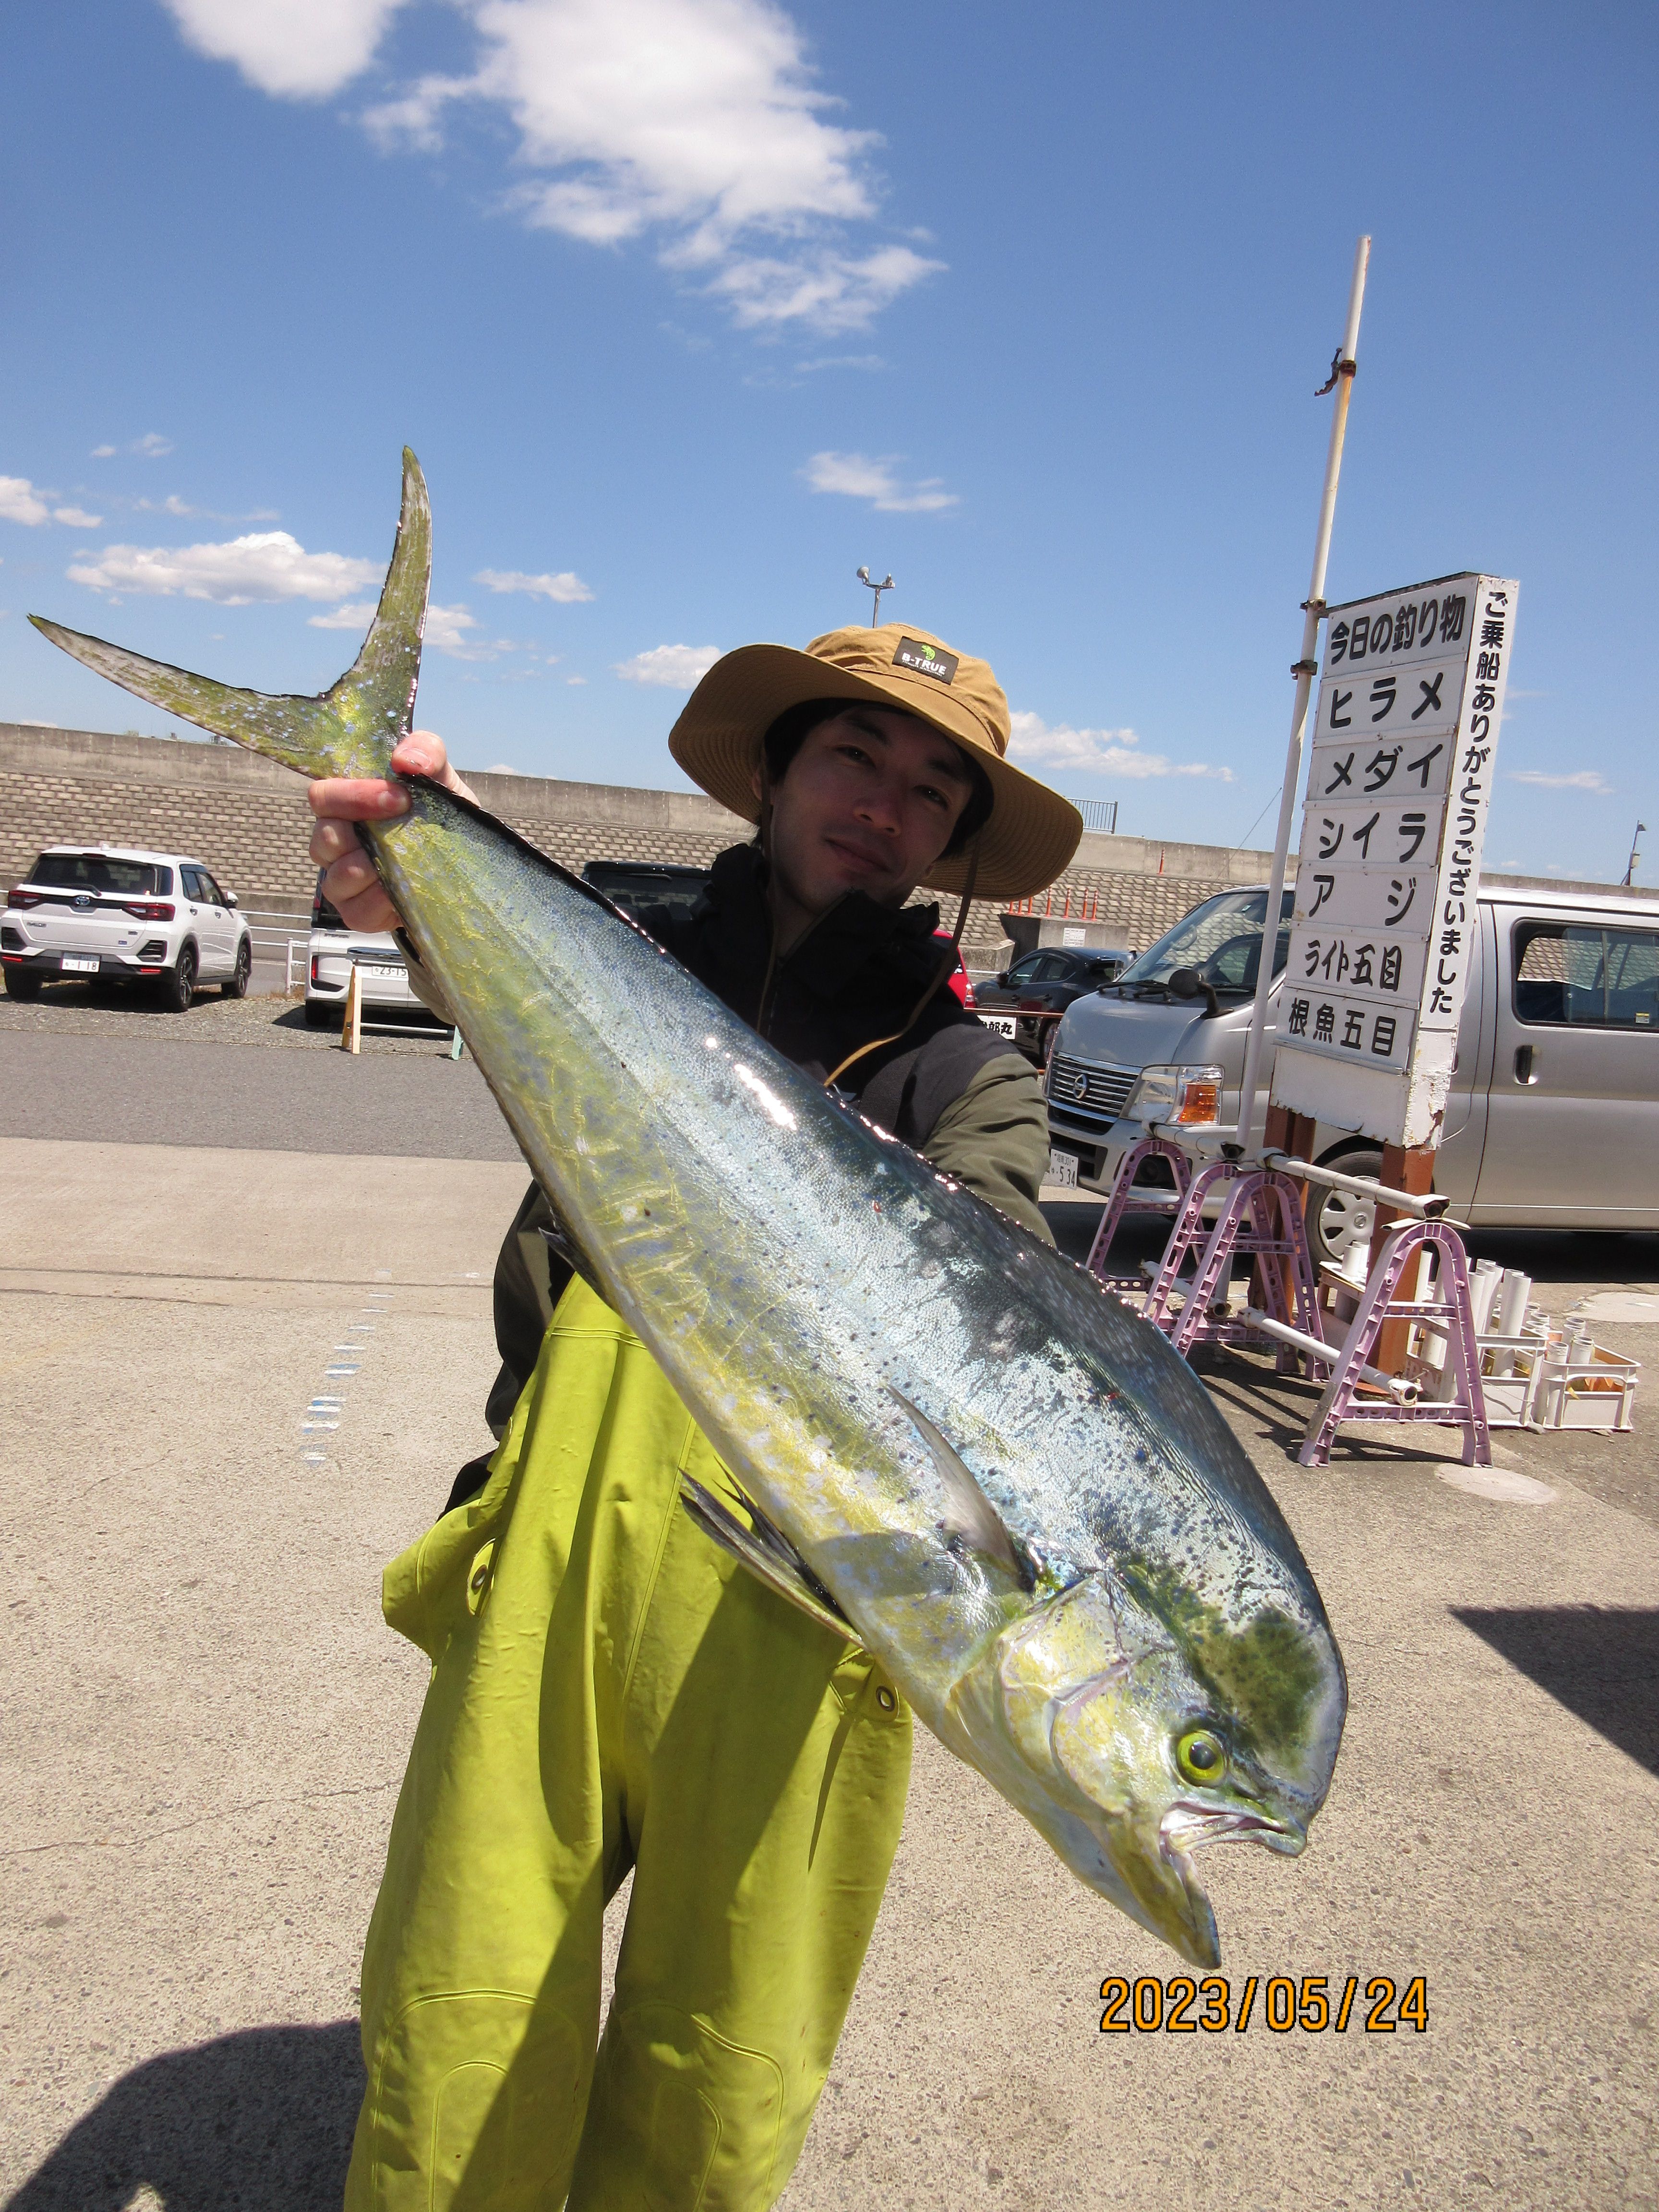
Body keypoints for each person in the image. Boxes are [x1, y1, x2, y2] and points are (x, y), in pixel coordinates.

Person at [308, 622, 1081, 2210]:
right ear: (774, 774)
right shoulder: (621, 953)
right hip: (559, 1539)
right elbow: (485, 973)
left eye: (934, 791)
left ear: (951, 847)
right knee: (462, 2005)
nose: (886, 804)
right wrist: (412, 874)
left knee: (723, 2072)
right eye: (854, 754)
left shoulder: (970, 1080)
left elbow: (988, 1304)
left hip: (812, 1605)